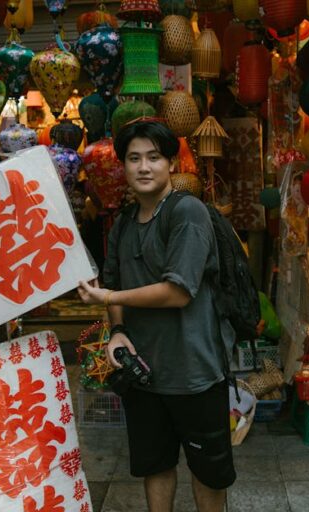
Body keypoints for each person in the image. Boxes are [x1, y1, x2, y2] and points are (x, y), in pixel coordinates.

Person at [77, 119, 236, 512]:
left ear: (170, 163)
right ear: (124, 167)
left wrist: (110, 293)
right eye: (134, 159)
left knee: (208, 472)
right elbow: (111, 282)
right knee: (155, 465)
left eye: (153, 157)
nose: (143, 167)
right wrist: (116, 331)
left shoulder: (187, 213)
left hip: (195, 372)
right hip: (144, 373)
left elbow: (178, 291)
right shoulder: (124, 224)